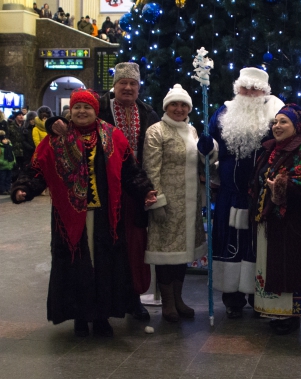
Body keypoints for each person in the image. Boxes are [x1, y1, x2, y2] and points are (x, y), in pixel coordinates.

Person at [11, 88, 157, 337]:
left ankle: (101, 317)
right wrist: (23, 188)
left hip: (105, 217)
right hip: (68, 217)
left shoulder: (113, 136)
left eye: (87, 107)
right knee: (74, 266)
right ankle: (79, 315)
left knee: (103, 265)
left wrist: (145, 191)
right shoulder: (56, 139)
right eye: (77, 107)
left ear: (95, 110)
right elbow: (37, 168)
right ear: (71, 110)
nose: (81, 112)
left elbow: (129, 171)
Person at [51, 62, 161, 320]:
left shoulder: (147, 113)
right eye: (123, 82)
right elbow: (71, 120)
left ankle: (132, 299)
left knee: (133, 246)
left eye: (133, 83)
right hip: (100, 189)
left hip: (134, 188)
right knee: (101, 246)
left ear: (138, 87)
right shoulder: (97, 105)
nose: (128, 87)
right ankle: (100, 301)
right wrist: (52, 122)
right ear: (115, 85)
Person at [197, 67, 284, 319]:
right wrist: (207, 147)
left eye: (255, 89)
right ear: (237, 89)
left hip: (259, 197)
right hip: (228, 194)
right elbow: (212, 142)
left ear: (264, 91)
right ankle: (231, 298)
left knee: (256, 247)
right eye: (244, 88)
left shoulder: (275, 115)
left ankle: (257, 295)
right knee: (227, 242)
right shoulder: (223, 112)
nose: (249, 93)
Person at [250, 104, 301, 335]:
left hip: (295, 227)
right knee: (276, 268)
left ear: (297, 127)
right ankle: (277, 313)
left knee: (291, 270)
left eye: (284, 122)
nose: (277, 126)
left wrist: (282, 186)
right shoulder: (272, 150)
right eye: (275, 122)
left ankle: (292, 316)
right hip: (274, 223)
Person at [142, 84, 207, 322]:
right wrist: (156, 200)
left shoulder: (192, 131)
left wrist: (209, 152)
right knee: (166, 254)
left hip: (189, 204)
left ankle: (179, 299)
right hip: (168, 204)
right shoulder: (156, 131)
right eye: (174, 104)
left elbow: (202, 161)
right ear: (166, 107)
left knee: (182, 254)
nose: (179, 109)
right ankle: (168, 302)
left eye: (183, 105)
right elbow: (151, 168)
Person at [0, 130, 15, 195]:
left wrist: (14, 161)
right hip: (2, 167)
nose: (5, 140)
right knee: (1, 179)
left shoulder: (9, 147)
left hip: (9, 165)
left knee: (8, 179)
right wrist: (2, 162)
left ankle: (8, 189)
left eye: (6, 139)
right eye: (4, 139)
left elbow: (12, 155)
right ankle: (2, 190)